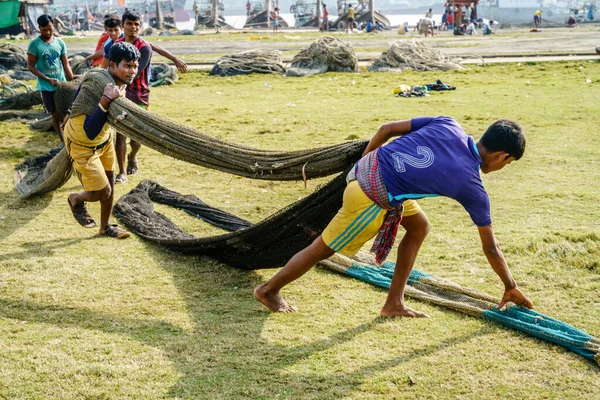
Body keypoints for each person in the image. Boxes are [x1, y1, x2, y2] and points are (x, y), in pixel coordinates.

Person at [254, 117, 534, 318]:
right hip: (369, 195)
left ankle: (394, 303)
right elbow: (490, 247)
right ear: (502, 156)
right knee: (322, 249)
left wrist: (362, 166)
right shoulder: (471, 185)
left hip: (368, 171)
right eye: (507, 164)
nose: (502, 168)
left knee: (419, 226)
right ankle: (268, 290)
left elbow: (386, 129)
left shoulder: (448, 123)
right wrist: (510, 285)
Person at [64, 42, 139, 239]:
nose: (132, 71)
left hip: (104, 139)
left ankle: (105, 228)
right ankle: (76, 198)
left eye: (135, 66)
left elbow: (82, 86)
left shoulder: (113, 82)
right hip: (83, 143)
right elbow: (89, 131)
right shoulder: (100, 81)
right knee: (104, 192)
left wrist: (69, 110)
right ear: (113, 65)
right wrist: (105, 101)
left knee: (111, 185)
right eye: (127, 66)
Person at [102, 11, 187, 184]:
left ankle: (132, 155)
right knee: (120, 134)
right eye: (129, 24)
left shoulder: (144, 47)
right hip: (120, 95)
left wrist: (175, 58)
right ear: (123, 26)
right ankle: (122, 171)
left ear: (139, 27)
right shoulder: (115, 45)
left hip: (139, 95)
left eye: (136, 24)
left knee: (137, 136)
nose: (133, 27)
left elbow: (134, 73)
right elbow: (109, 68)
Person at [27, 14, 74, 142]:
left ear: (53, 26)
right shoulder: (34, 44)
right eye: (44, 30)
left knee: (66, 112)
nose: (48, 32)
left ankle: (70, 136)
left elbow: (65, 63)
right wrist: (47, 79)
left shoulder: (60, 42)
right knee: (55, 114)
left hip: (61, 84)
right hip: (46, 86)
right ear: (39, 28)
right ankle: (62, 139)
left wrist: (71, 78)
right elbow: (30, 66)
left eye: (50, 29)